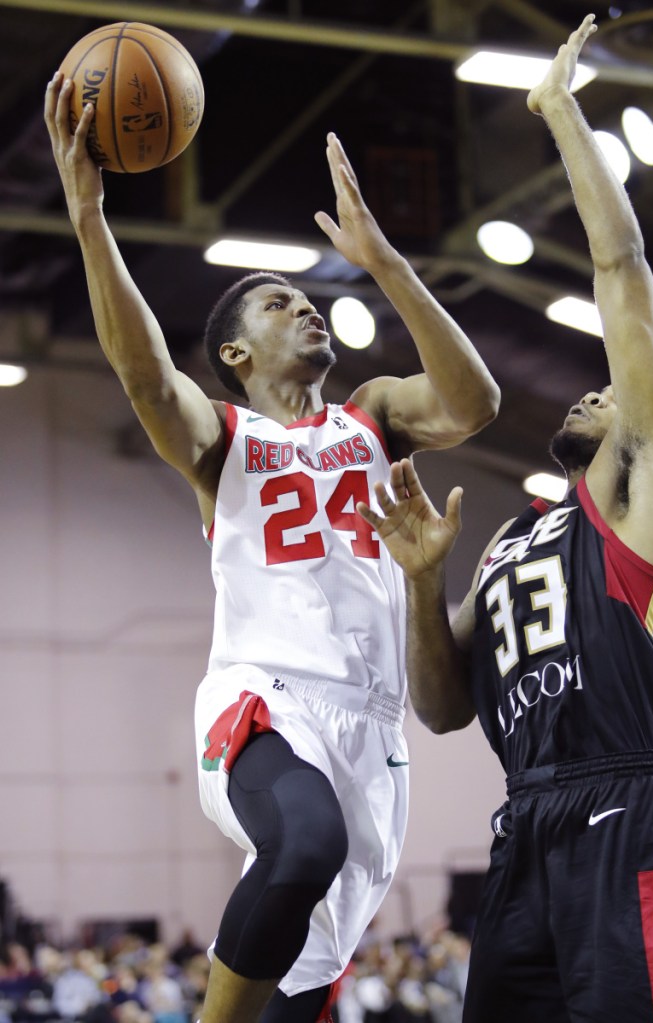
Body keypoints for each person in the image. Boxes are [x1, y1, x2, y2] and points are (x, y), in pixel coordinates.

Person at [44, 67, 500, 1023]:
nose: (303, 305)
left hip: (371, 729)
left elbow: (474, 403)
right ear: (237, 356)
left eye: (305, 296)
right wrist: (91, 219)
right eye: (276, 303)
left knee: (306, 980)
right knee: (301, 846)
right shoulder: (221, 440)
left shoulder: (372, 416)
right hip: (264, 700)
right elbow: (139, 371)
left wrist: (387, 263)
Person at [357, 15, 653, 1023]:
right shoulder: (519, 537)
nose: (593, 395)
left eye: (613, 394)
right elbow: (440, 708)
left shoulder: (639, 491)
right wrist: (426, 583)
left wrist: (561, 115)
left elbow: (623, 278)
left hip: (630, 815)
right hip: (526, 828)